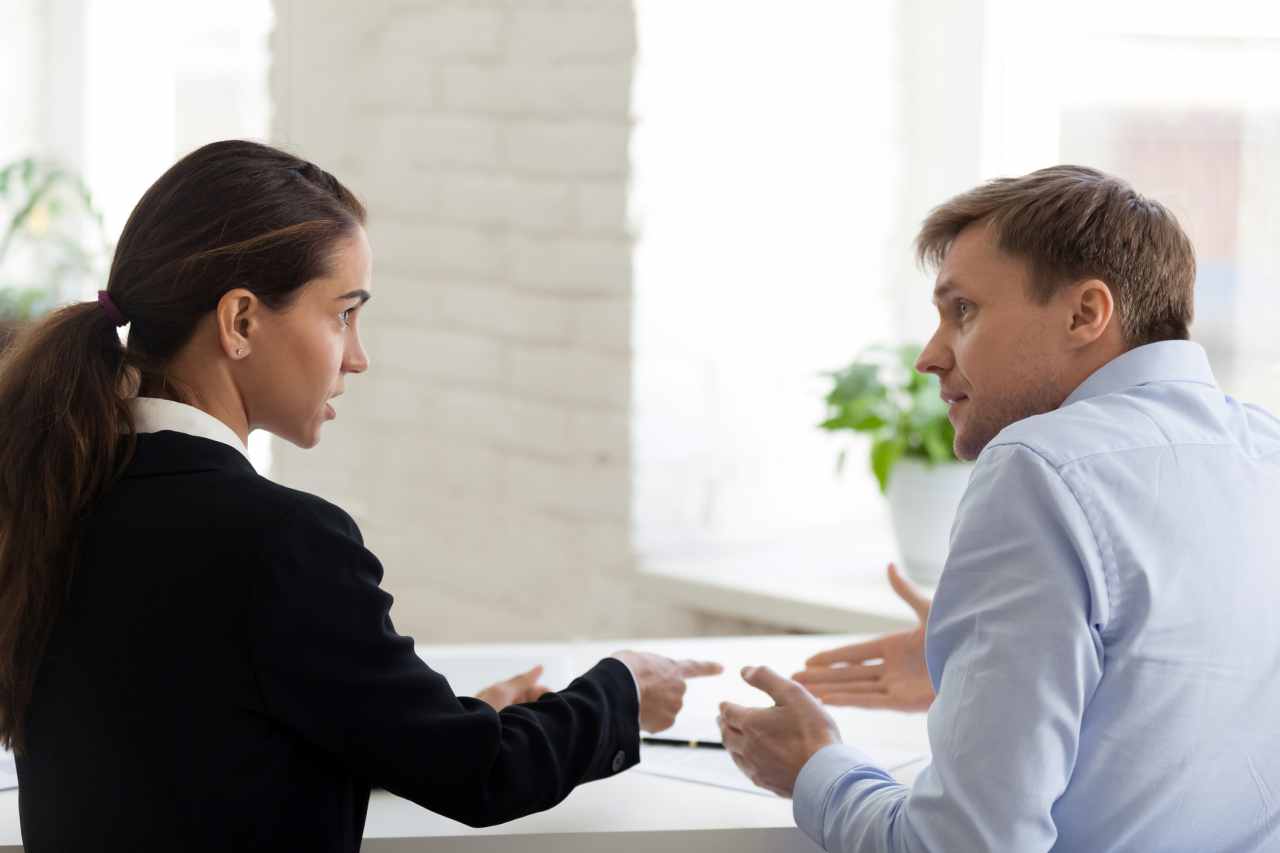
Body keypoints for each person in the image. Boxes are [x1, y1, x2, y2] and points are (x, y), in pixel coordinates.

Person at [0, 140, 722, 852]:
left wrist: (422, 722)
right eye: (343, 312)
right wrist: (621, 688)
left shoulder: (58, 492)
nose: (357, 354)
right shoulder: (278, 539)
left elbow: (203, 753)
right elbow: (485, 774)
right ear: (240, 321)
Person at [717, 165, 1280, 850]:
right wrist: (983, 674)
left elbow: (963, 844)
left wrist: (813, 767)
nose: (930, 356)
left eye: (963, 311)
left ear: (1085, 313)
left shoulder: (1039, 468)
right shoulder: (1263, 449)